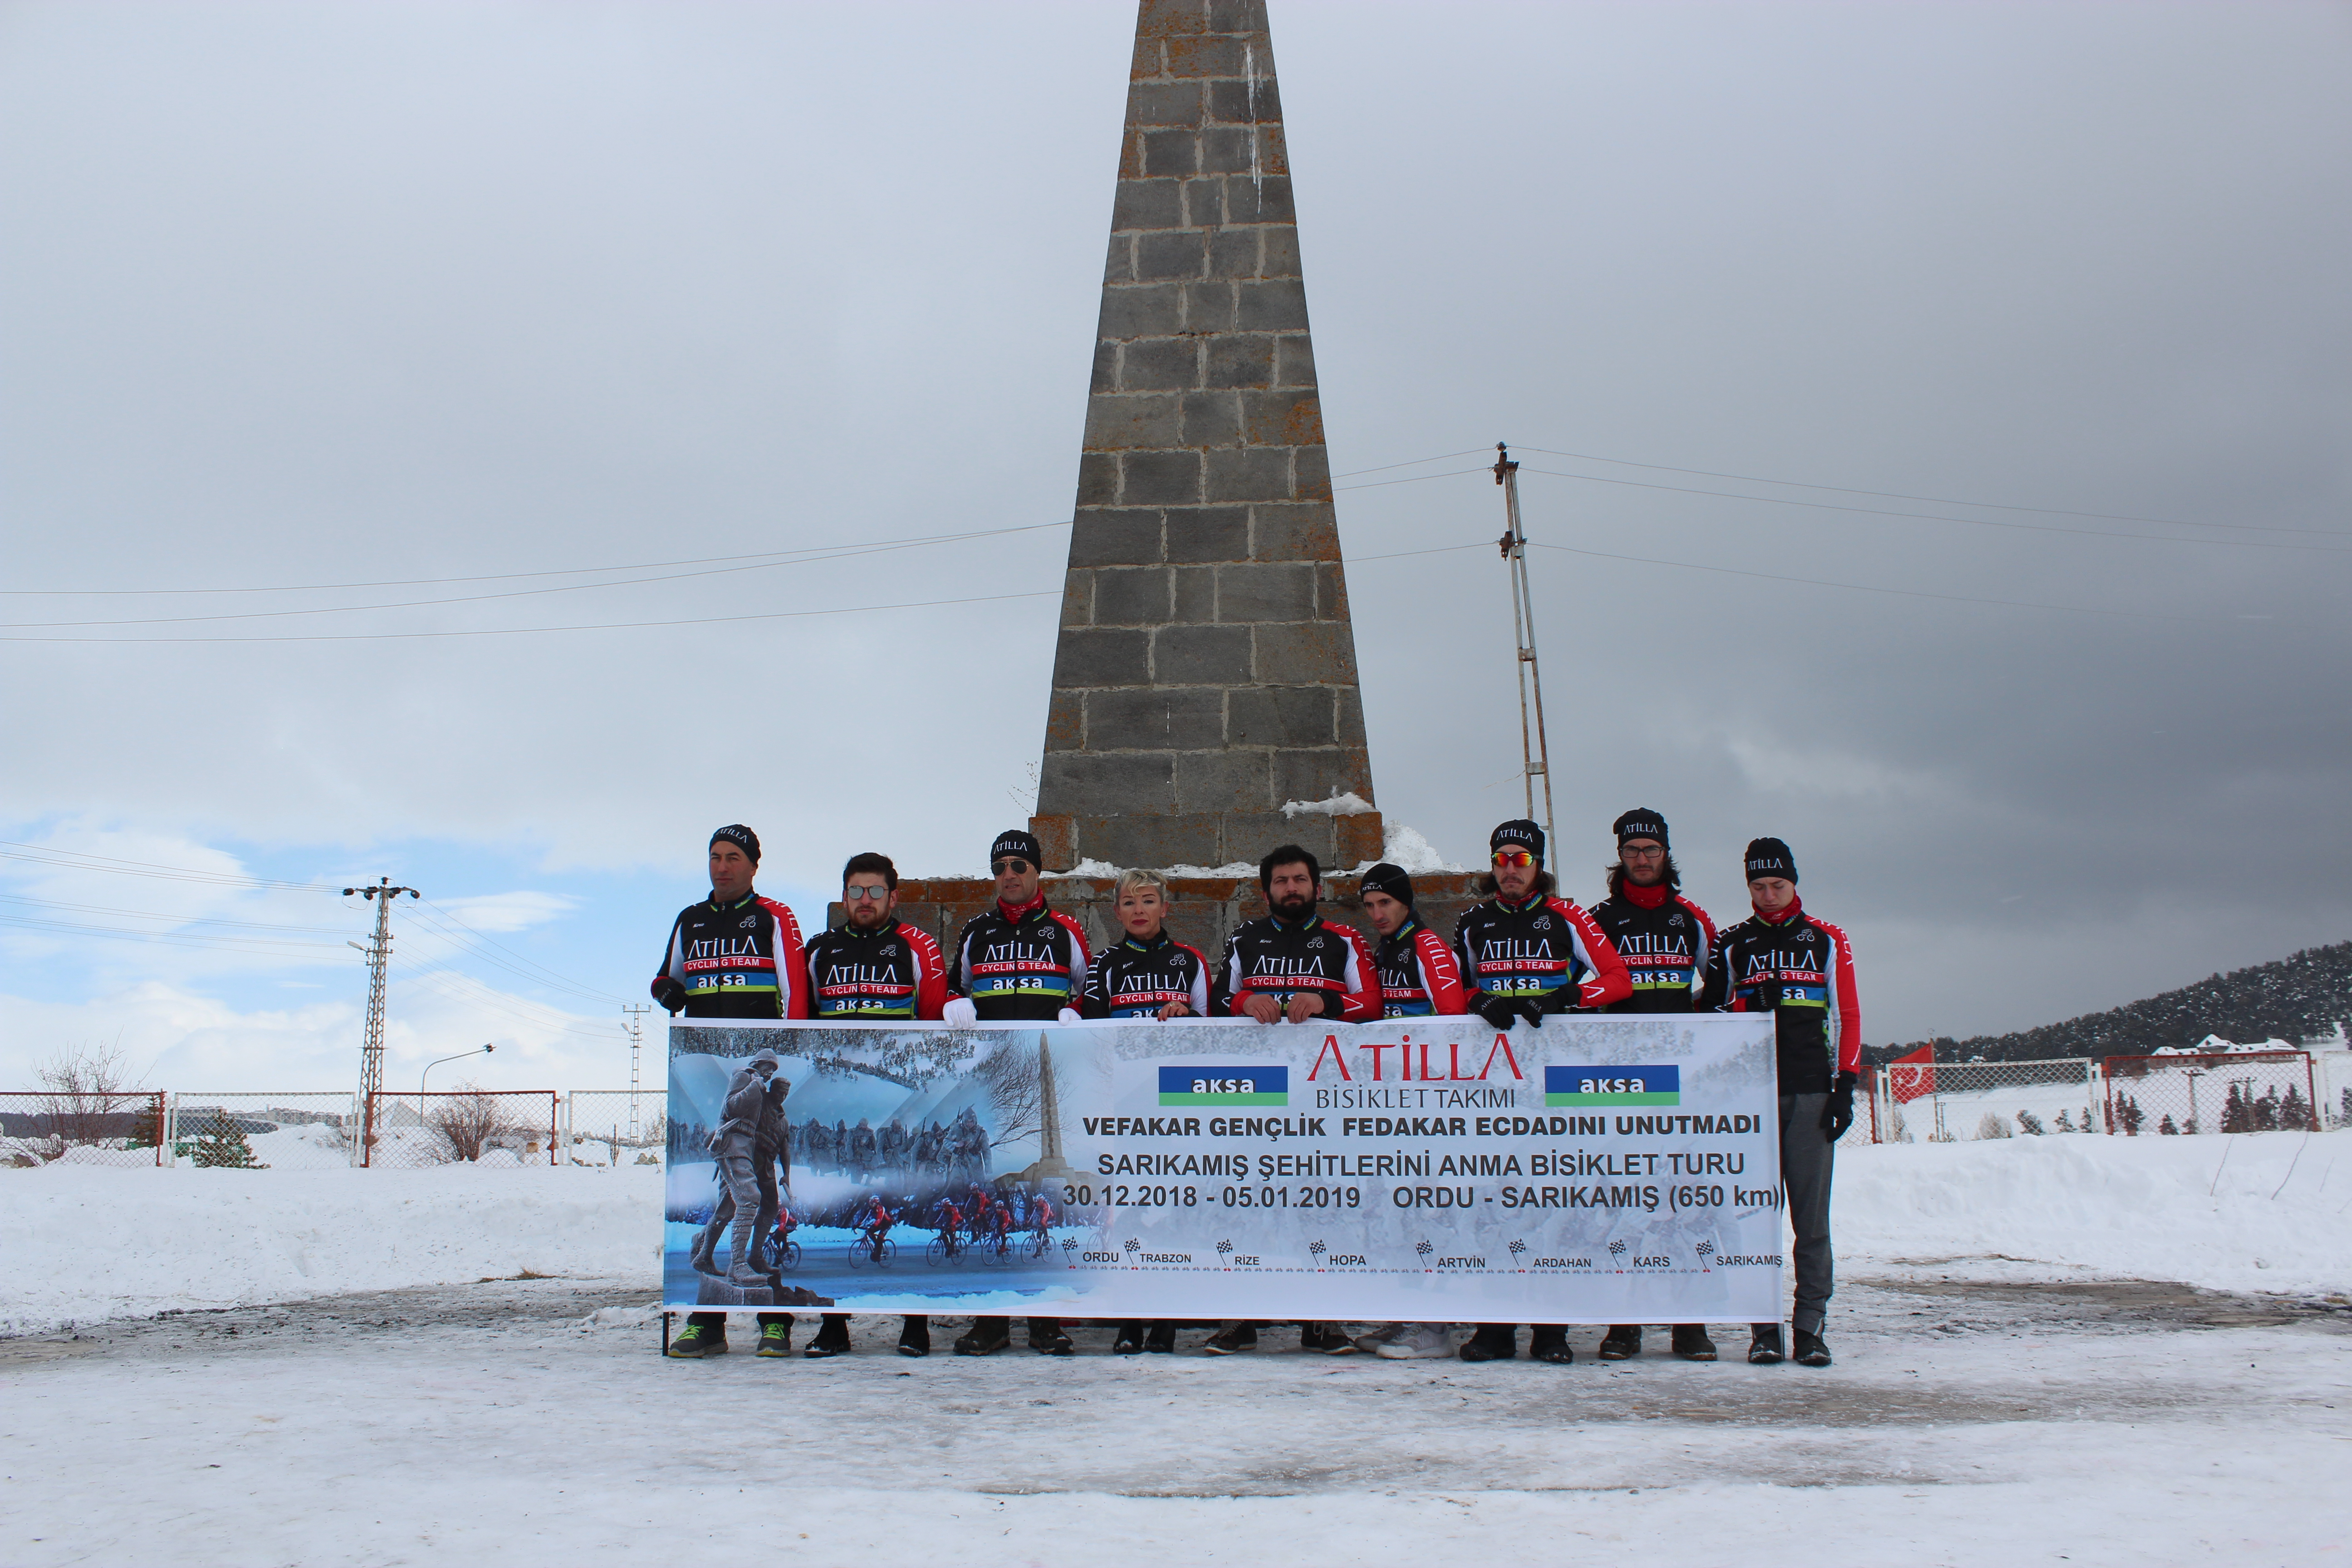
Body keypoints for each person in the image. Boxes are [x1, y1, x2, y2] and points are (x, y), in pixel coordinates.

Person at [1451, 818, 1632, 1366]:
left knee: (1551, 1203)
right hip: (1496, 1086)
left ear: (1538, 866)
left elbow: (1618, 980)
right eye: (1502, 859)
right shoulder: (1473, 921)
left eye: (1521, 860)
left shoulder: (1568, 916)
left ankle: (1551, 1329)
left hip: (1556, 1086)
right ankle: (1495, 1327)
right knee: (1494, 1201)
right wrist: (1475, 1000)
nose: (1510, 869)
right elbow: (1450, 987)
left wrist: (1565, 998)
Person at [1204, 844, 1377, 1356]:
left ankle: (1323, 1319)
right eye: (1281, 882)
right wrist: (1242, 1000)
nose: (1292, 889)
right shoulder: (1246, 938)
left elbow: (1372, 1002)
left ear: (1317, 888)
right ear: (1266, 892)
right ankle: (1241, 1317)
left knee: (1320, 1205)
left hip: (1323, 1098)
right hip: (1256, 1098)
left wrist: (1326, 1001)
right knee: (1247, 1201)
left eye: (1300, 880)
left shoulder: (1343, 938)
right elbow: (1212, 1000)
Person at [1700, 837, 1860, 1369]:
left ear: (1794, 883)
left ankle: (1811, 1326)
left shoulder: (1826, 938)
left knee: (1811, 1221)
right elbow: (1708, 1019)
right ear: (1747, 887)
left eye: (1778, 885)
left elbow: (1848, 1015)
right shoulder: (1732, 942)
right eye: (1758, 886)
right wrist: (1746, 1002)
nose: (1768, 895)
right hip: (1749, 1099)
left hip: (1811, 1091)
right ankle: (1763, 1328)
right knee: (1754, 1221)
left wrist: (1845, 1086)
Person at [656, 826, 808, 1362]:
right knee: (732, 1200)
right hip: (713, 1060)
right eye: (715, 858)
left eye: (733, 858)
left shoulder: (772, 915)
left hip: (756, 1046)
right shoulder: (690, 919)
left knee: (759, 1202)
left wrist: (784, 1050)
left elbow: (795, 992)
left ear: (752, 866)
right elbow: (665, 979)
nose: (722, 867)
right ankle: (707, 1321)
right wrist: (667, 991)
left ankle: (774, 1322)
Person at [940, 829, 1091, 1356]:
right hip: (994, 1079)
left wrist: (1080, 1010)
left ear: (1037, 873)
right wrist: (953, 1004)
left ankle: (1047, 1321)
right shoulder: (977, 931)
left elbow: (1089, 988)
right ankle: (991, 1320)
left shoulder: (1065, 930)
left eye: (1019, 865)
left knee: (1037, 1214)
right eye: (1000, 866)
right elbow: (956, 989)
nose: (1010, 873)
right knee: (992, 1195)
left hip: (1046, 1071)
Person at [1586, 808, 1721, 1364]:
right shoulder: (1596, 919)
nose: (1643, 859)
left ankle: (1691, 1323)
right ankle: (1625, 1323)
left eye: (1652, 850)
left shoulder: (1692, 917)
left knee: (1684, 1202)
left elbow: (1722, 989)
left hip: (1683, 1085)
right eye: (1633, 850)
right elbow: (1580, 989)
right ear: (1619, 856)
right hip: (1619, 1085)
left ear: (1667, 854)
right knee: (1625, 1204)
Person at [801, 852, 946, 1357]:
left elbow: (934, 1026)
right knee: (841, 1210)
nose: (865, 901)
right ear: (845, 896)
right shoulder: (819, 949)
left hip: (902, 1107)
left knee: (905, 1210)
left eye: (876, 891)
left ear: (893, 896)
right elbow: (798, 1021)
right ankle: (833, 1325)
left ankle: (915, 1325)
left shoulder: (918, 946)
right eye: (856, 891)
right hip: (843, 1099)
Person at [1349, 862, 1469, 1360]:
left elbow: (1454, 1023)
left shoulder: (1426, 946)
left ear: (1406, 903)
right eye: (1370, 906)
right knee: (1403, 1212)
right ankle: (1408, 1315)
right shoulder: (1389, 947)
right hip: (1399, 1100)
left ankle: (1435, 1329)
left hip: (1431, 1103)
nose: (1377, 914)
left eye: (1386, 905)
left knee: (1433, 1213)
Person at [1082, 868, 1210, 1020]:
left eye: (1148, 901)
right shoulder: (1103, 963)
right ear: (1118, 912)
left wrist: (1188, 1014)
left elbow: (1209, 1024)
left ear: (1164, 908)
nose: (1138, 910)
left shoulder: (1192, 959)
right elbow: (1093, 1029)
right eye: (1129, 903)